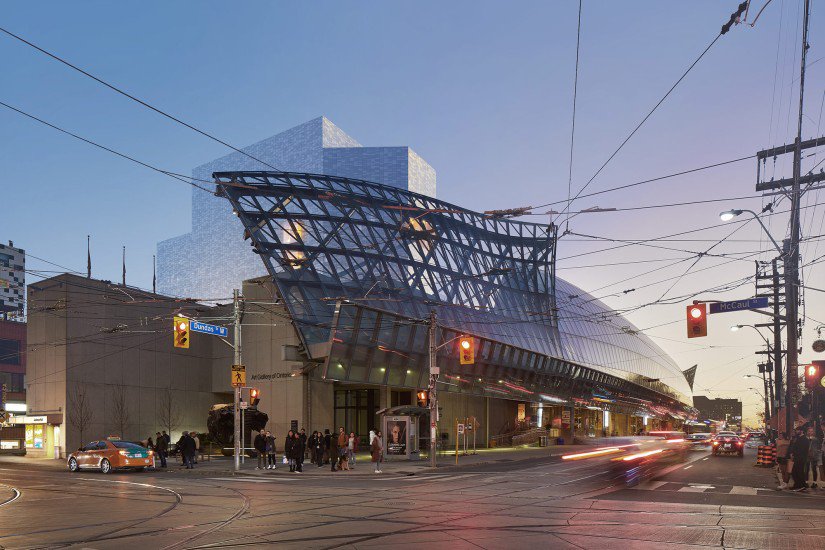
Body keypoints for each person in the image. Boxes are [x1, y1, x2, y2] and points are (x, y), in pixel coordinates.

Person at [789, 427, 810, 491]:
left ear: (801, 431)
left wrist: (795, 453)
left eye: (797, 430)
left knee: (799, 472)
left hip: (801, 458)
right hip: (796, 457)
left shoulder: (805, 439)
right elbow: (794, 446)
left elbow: (802, 449)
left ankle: (802, 485)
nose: (796, 432)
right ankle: (797, 484)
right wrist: (792, 453)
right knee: (794, 472)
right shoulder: (797, 438)